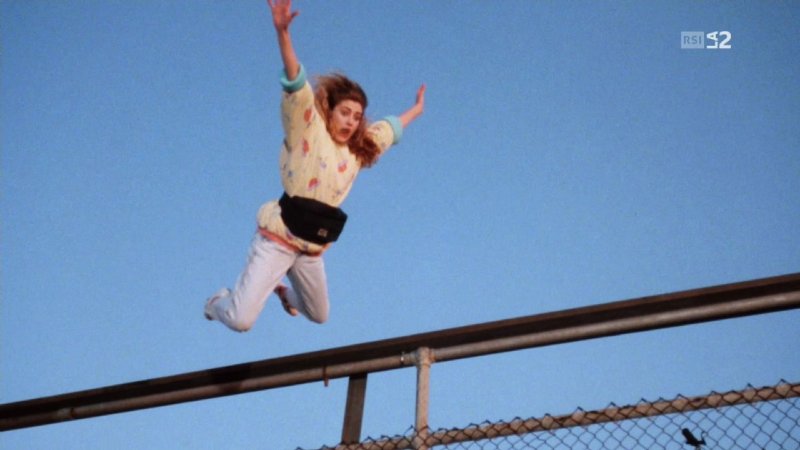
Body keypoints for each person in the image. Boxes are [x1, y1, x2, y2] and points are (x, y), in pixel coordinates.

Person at [204, 0, 425, 332]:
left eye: (356, 117)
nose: (350, 122)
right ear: (330, 110)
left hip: (311, 249)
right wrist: (283, 34)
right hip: (279, 238)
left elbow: (388, 131)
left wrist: (416, 110)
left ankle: (284, 294)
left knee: (319, 314)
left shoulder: (358, 149)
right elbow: (296, 84)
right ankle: (216, 302)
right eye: (344, 113)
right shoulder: (307, 127)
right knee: (240, 319)